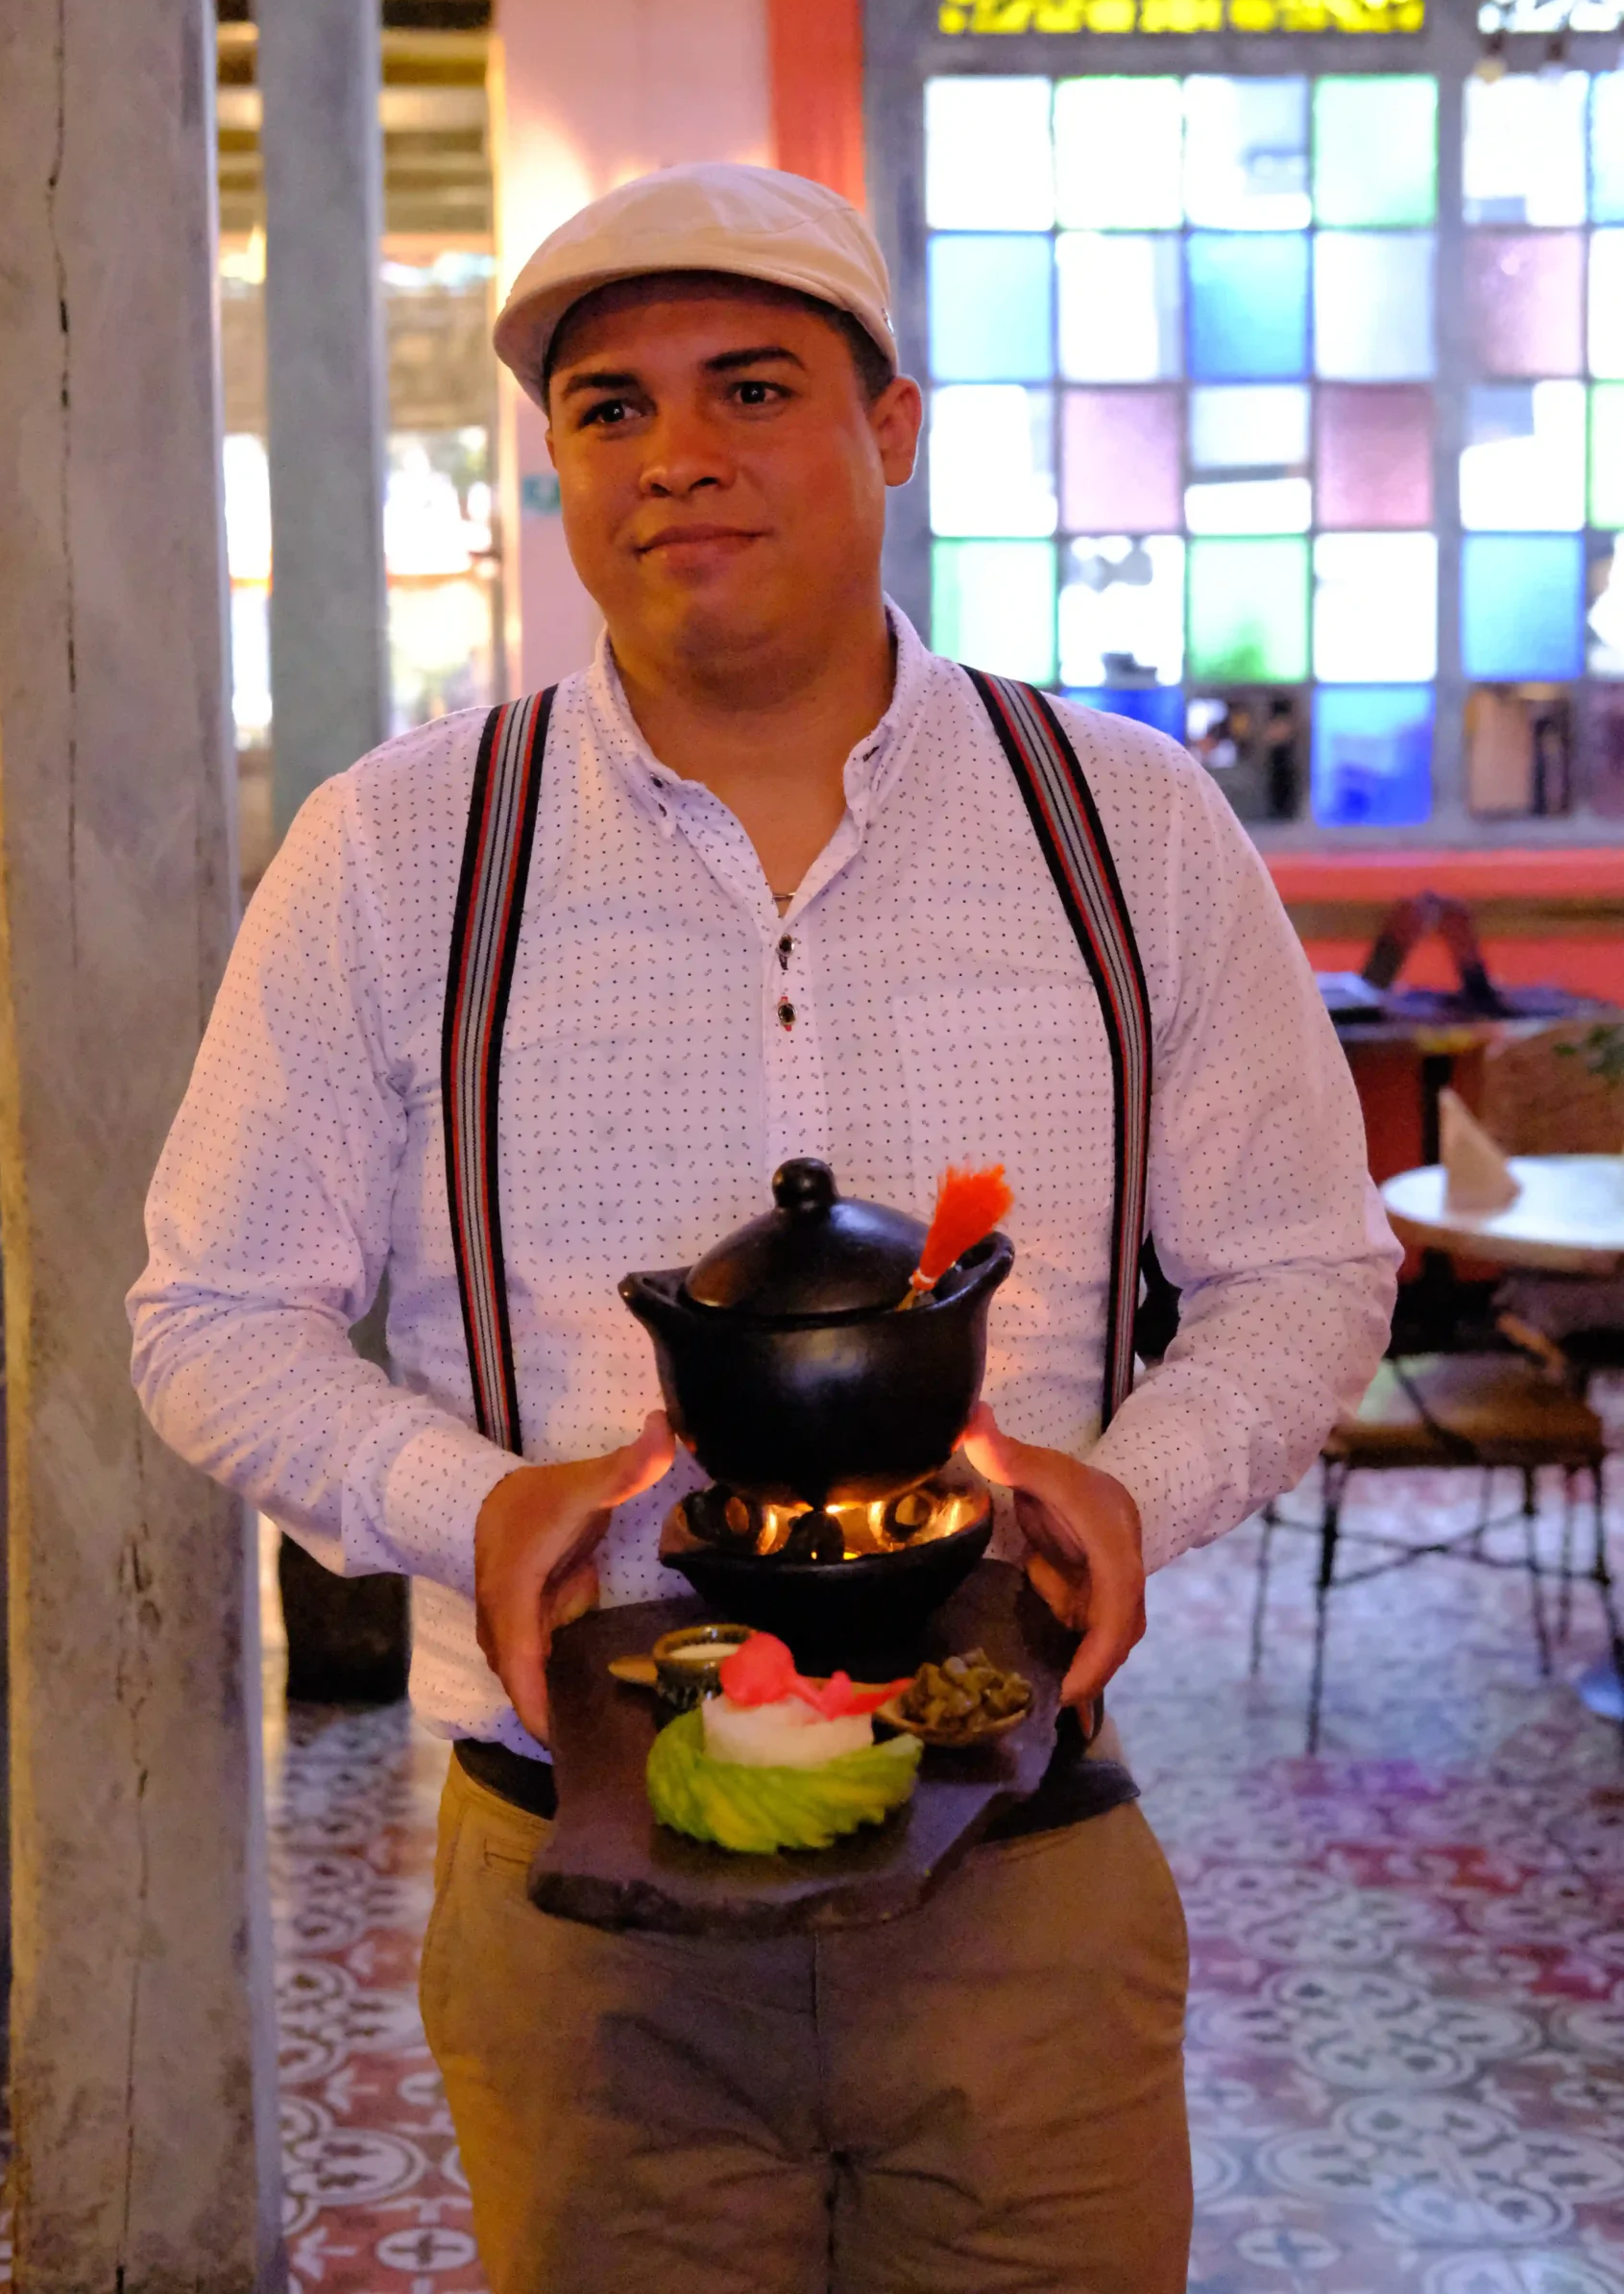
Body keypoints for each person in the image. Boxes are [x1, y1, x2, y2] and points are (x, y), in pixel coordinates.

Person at [130, 163, 1399, 2294]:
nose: (677, 456)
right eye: (608, 408)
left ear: (890, 425)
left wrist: (1135, 1484)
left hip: (1021, 1863)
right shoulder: (396, 851)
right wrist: (461, 1495)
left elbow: (1302, 1259)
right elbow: (211, 1308)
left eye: (751, 386)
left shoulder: (1126, 825)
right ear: (556, 468)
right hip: (580, 1896)